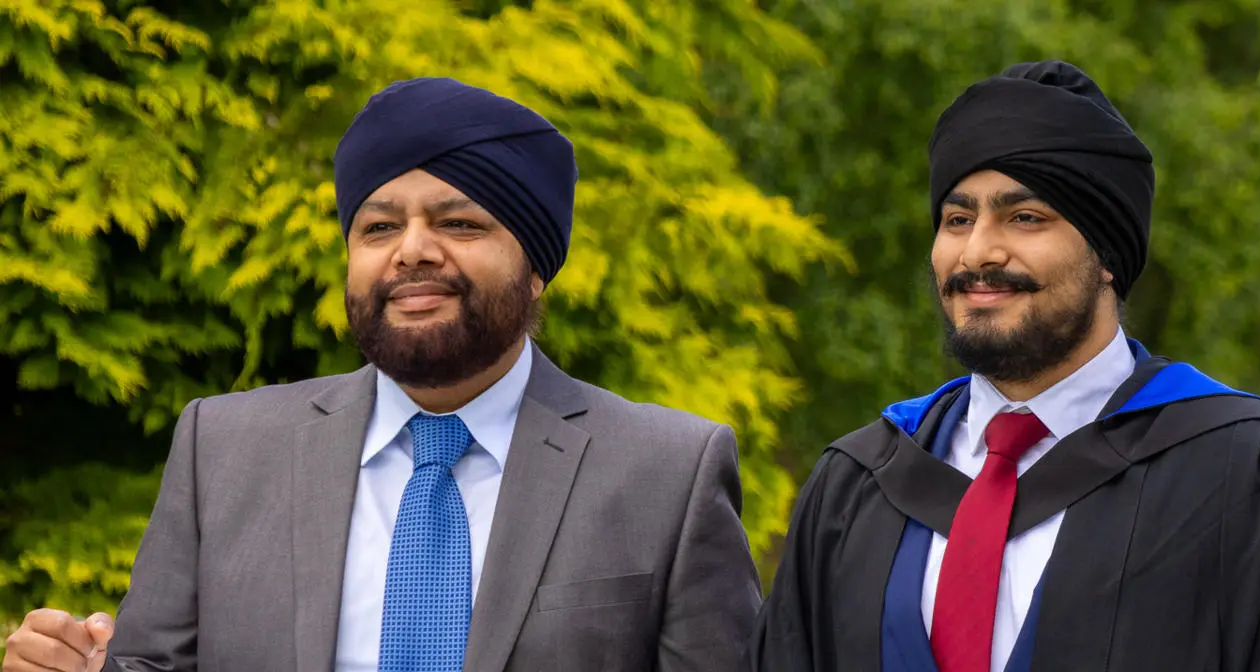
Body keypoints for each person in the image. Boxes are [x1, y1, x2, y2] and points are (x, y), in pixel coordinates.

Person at [2, 78, 761, 672]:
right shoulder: (224, 448)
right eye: (379, 226)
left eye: (459, 222)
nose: (412, 250)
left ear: (536, 269)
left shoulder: (668, 474)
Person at [753, 60, 1260, 672]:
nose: (978, 252)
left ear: (1106, 254)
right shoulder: (856, 485)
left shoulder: (1257, 473)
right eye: (957, 219)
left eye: (1025, 218)